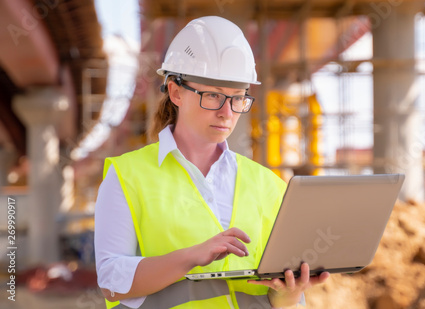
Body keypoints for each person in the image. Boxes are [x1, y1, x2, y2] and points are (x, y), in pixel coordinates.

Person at [94, 16, 329, 309]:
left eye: (238, 98)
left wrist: (290, 294)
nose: (226, 112)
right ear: (175, 91)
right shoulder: (127, 176)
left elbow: (282, 300)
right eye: (213, 96)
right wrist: (192, 256)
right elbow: (111, 282)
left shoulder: (268, 184)